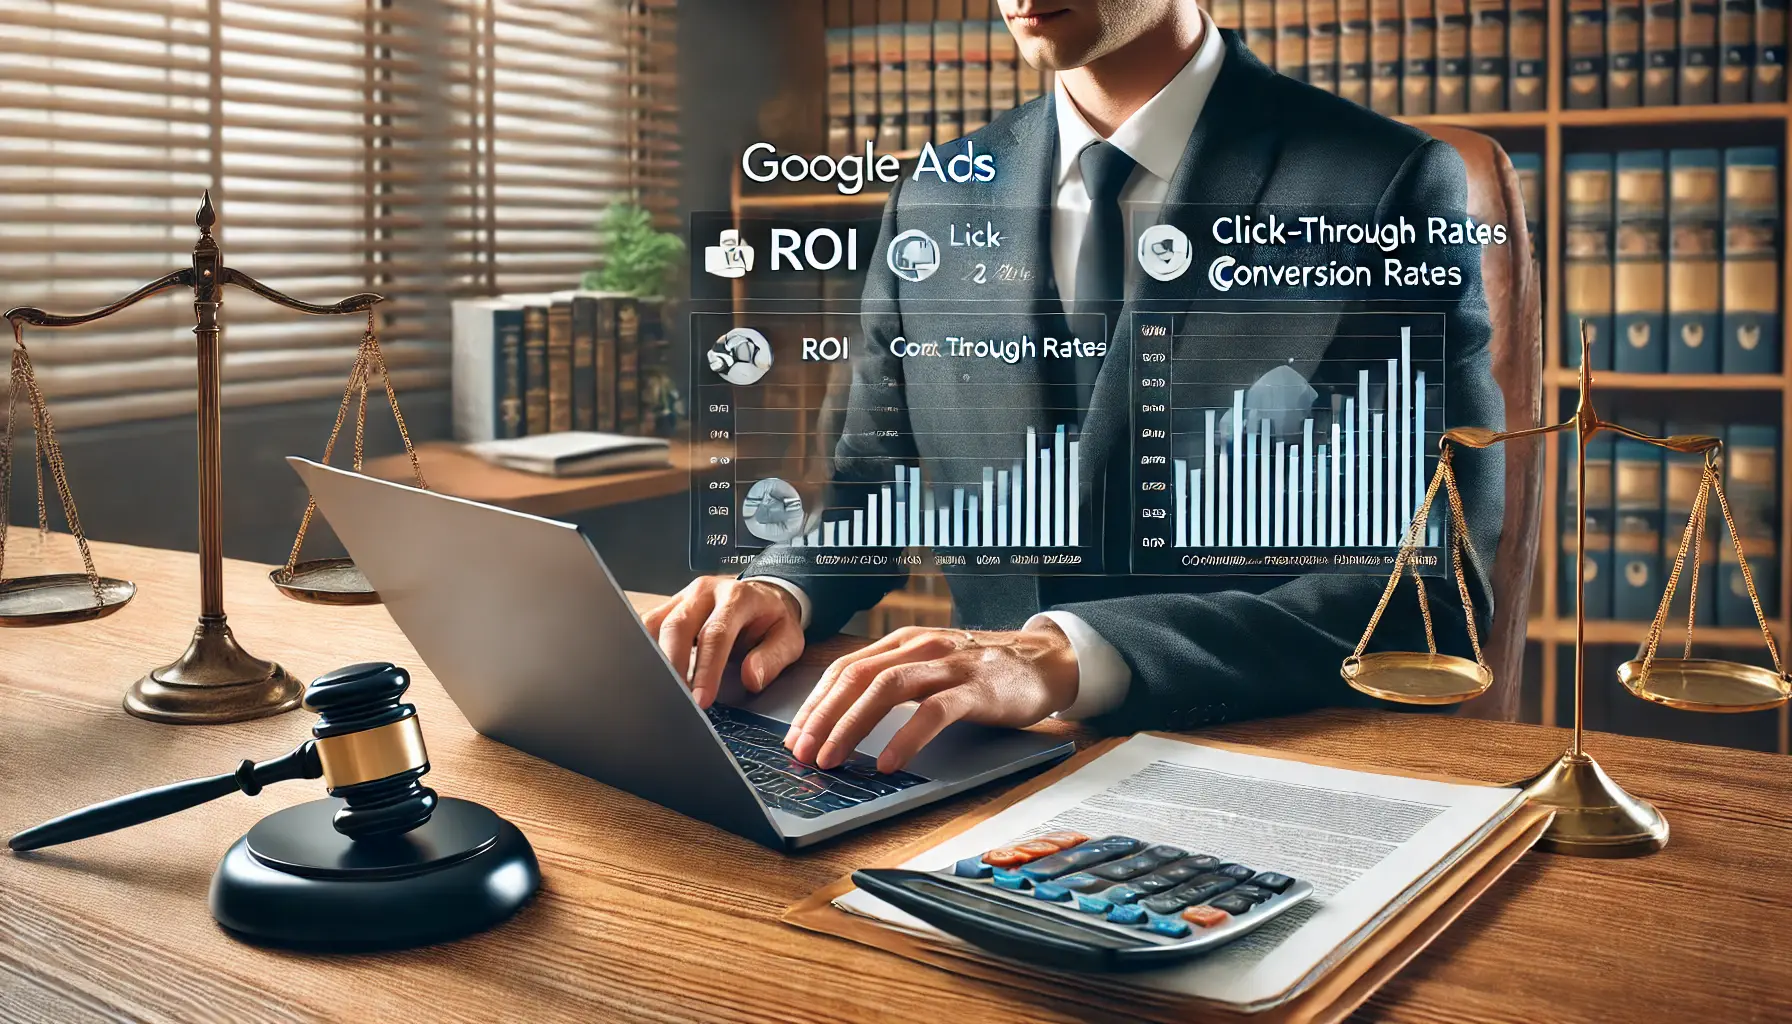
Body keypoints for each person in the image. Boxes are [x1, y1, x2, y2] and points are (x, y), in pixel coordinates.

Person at [647, 0, 1505, 774]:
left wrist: (1076, 655)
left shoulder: (1385, 185)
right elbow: (873, 494)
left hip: (1255, 764)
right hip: (965, 770)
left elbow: (1429, 590)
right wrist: (783, 587)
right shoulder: (936, 197)